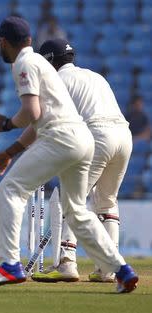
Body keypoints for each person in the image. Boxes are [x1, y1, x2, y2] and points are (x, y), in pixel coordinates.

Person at [0, 16, 138, 293]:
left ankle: (9, 264)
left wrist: (6, 125)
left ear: (3, 42)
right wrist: (10, 151)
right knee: (77, 211)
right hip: (85, 139)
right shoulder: (43, 64)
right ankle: (121, 270)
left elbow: (32, 114)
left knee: (11, 189)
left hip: (62, 138)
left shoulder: (25, 64)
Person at [30, 39, 133, 283]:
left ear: (49, 60)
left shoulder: (55, 81)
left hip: (97, 134)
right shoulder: (95, 76)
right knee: (106, 202)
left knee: (69, 199)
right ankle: (108, 269)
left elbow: (47, 125)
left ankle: (67, 263)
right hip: (123, 137)